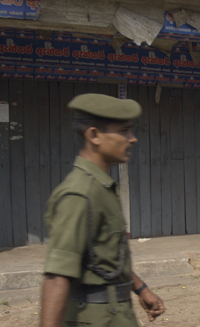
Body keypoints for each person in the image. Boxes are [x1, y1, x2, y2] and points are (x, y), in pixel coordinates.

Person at [41, 94, 164, 327]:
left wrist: (140, 288)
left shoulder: (101, 186)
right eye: (124, 131)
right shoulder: (78, 194)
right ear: (94, 135)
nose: (133, 139)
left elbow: (105, 257)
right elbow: (57, 278)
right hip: (95, 318)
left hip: (116, 313)